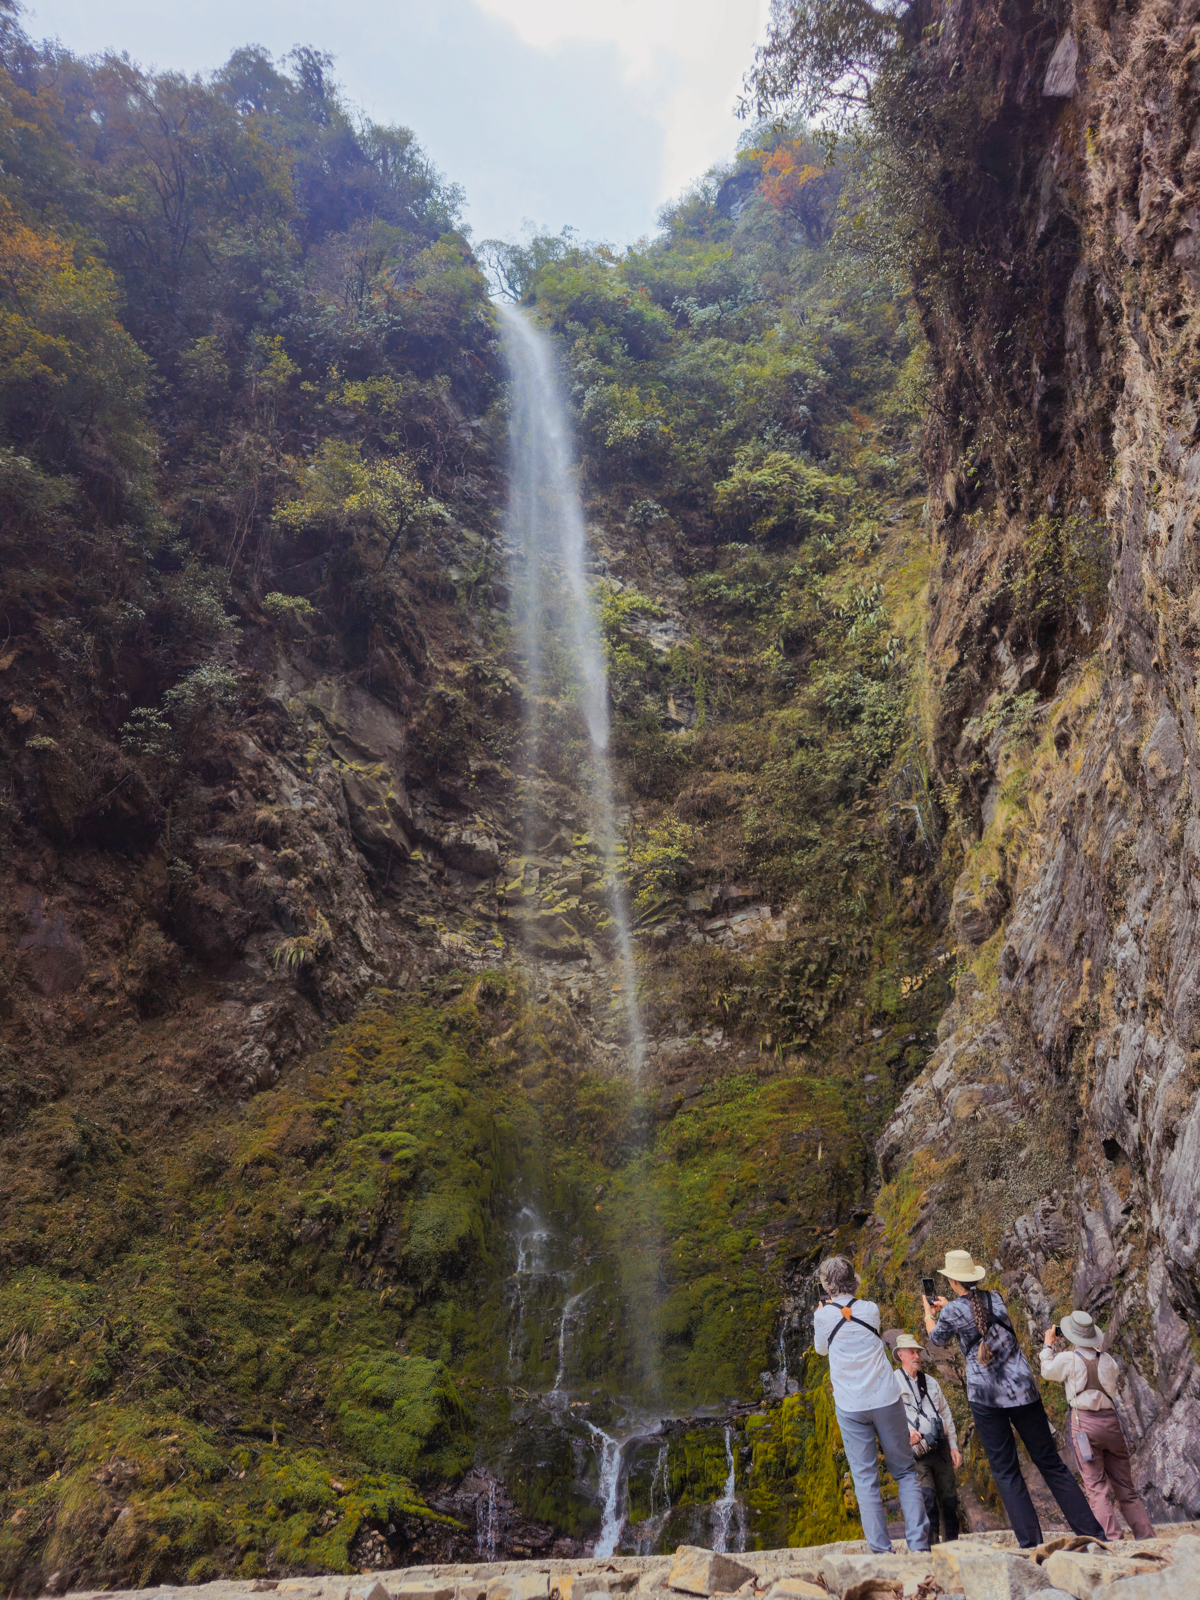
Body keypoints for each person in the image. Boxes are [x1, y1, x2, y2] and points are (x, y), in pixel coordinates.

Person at [923, 1248, 1104, 1548]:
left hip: (986, 1397)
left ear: (953, 1282)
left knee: (1006, 1471)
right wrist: (950, 1306)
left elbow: (936, 1339)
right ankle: (1093, 1534)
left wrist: (930, 1315)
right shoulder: (994, 1298)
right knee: (1051, 1463)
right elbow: (977, 1315)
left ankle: (1031, 1544)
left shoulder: (953, 1312)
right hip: (1023, 1390)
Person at [814, 1255, 930, 1554]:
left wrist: (823, 1311)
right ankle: (919, 1547)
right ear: (854, 1280)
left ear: (827, 1286)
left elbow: (821, 1350)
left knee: (865, 1480)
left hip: (851, 1405)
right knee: (904, 1472)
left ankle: (881, 1552)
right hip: (885, 1399)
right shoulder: (871, 1309)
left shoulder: (823, 1316)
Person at [1040, 1309, 1154, 1541]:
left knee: (1096, 1487)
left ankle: (1113, 1540)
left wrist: (1048, 1346)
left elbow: (1047, 1371)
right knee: (1126, 1488)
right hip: (1111, 1424)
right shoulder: (1109, 1361)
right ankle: (1146, 1536)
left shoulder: (1069, 1359)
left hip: (1084, 1425)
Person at [893, 1332, 962, 1543]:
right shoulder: (893, 1382)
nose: (917, 1355)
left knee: (949, 1499)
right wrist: (905, 1431)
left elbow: (945, 1413)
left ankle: (952, 1546)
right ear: (901, 1355)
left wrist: (953, 1445)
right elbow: (887, 1416)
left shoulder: (930, 1382)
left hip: (940, 1446)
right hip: (917, 1450)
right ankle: (930, 1548)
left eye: (918, 1352)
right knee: (928, 1498)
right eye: (912, 1352)